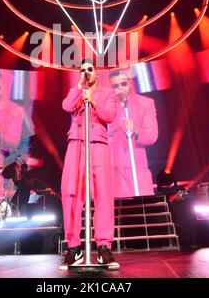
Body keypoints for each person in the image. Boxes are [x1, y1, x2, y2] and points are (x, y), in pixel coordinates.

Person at [60, 58, 119, 269]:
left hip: (98, 144)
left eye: (89, 69)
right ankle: (74, 247)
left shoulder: (107, 93)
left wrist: (93, 100)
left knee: (103, 194)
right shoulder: (75, 91)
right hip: (76, 144)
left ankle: (104, 246)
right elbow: (66, 106)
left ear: (97, 73)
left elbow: (110, 116)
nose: (86, 72)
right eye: (82, 70)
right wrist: (78, 90)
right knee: (71, 193)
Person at [108, 69, 158, 197]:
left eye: (123, 84)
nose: (120, 88)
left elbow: (152, 136)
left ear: (130, 83)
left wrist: (136, 129)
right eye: (115, 86)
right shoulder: (108, 105)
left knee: (142, 211)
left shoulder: (145, 103)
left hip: (137, 170)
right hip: (113, 171)